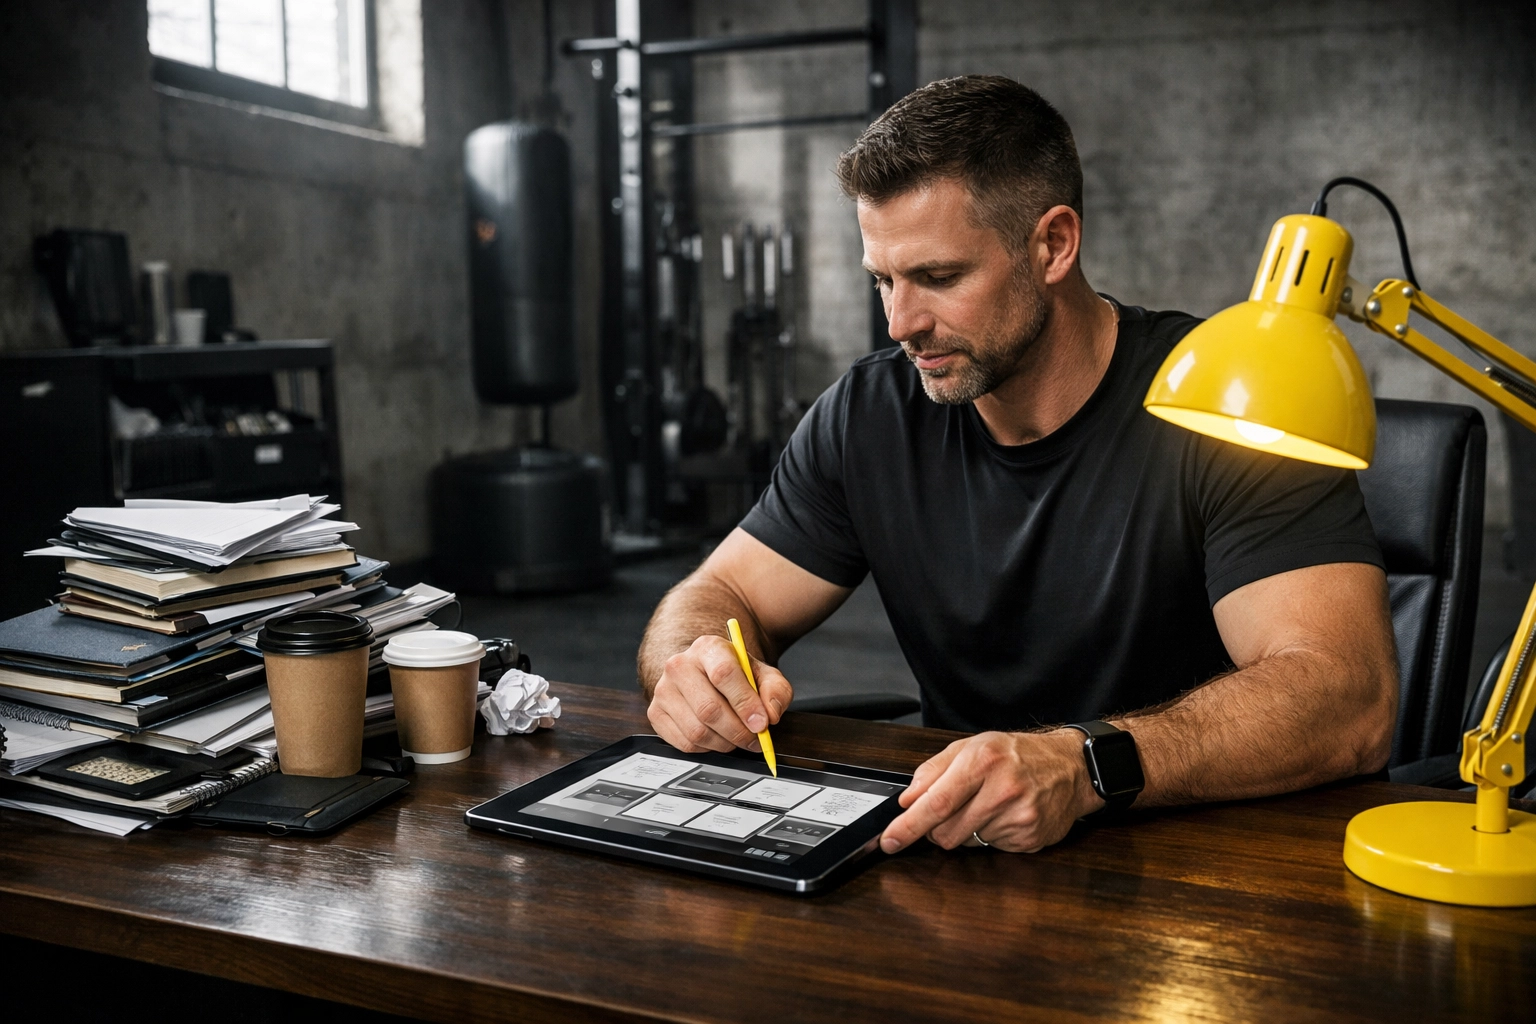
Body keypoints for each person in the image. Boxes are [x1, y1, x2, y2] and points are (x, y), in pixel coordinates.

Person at [638, 75, 1398, 855]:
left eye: (938, 277)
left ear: (1053, 245)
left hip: (1204, 869)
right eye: (883, 281)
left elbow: (1347, 698)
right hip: (968, 857)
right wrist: (693, 663)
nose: (902, 323)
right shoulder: (868, 414)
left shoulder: (1230, 407)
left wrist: (1085, 765)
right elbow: (718, 592)